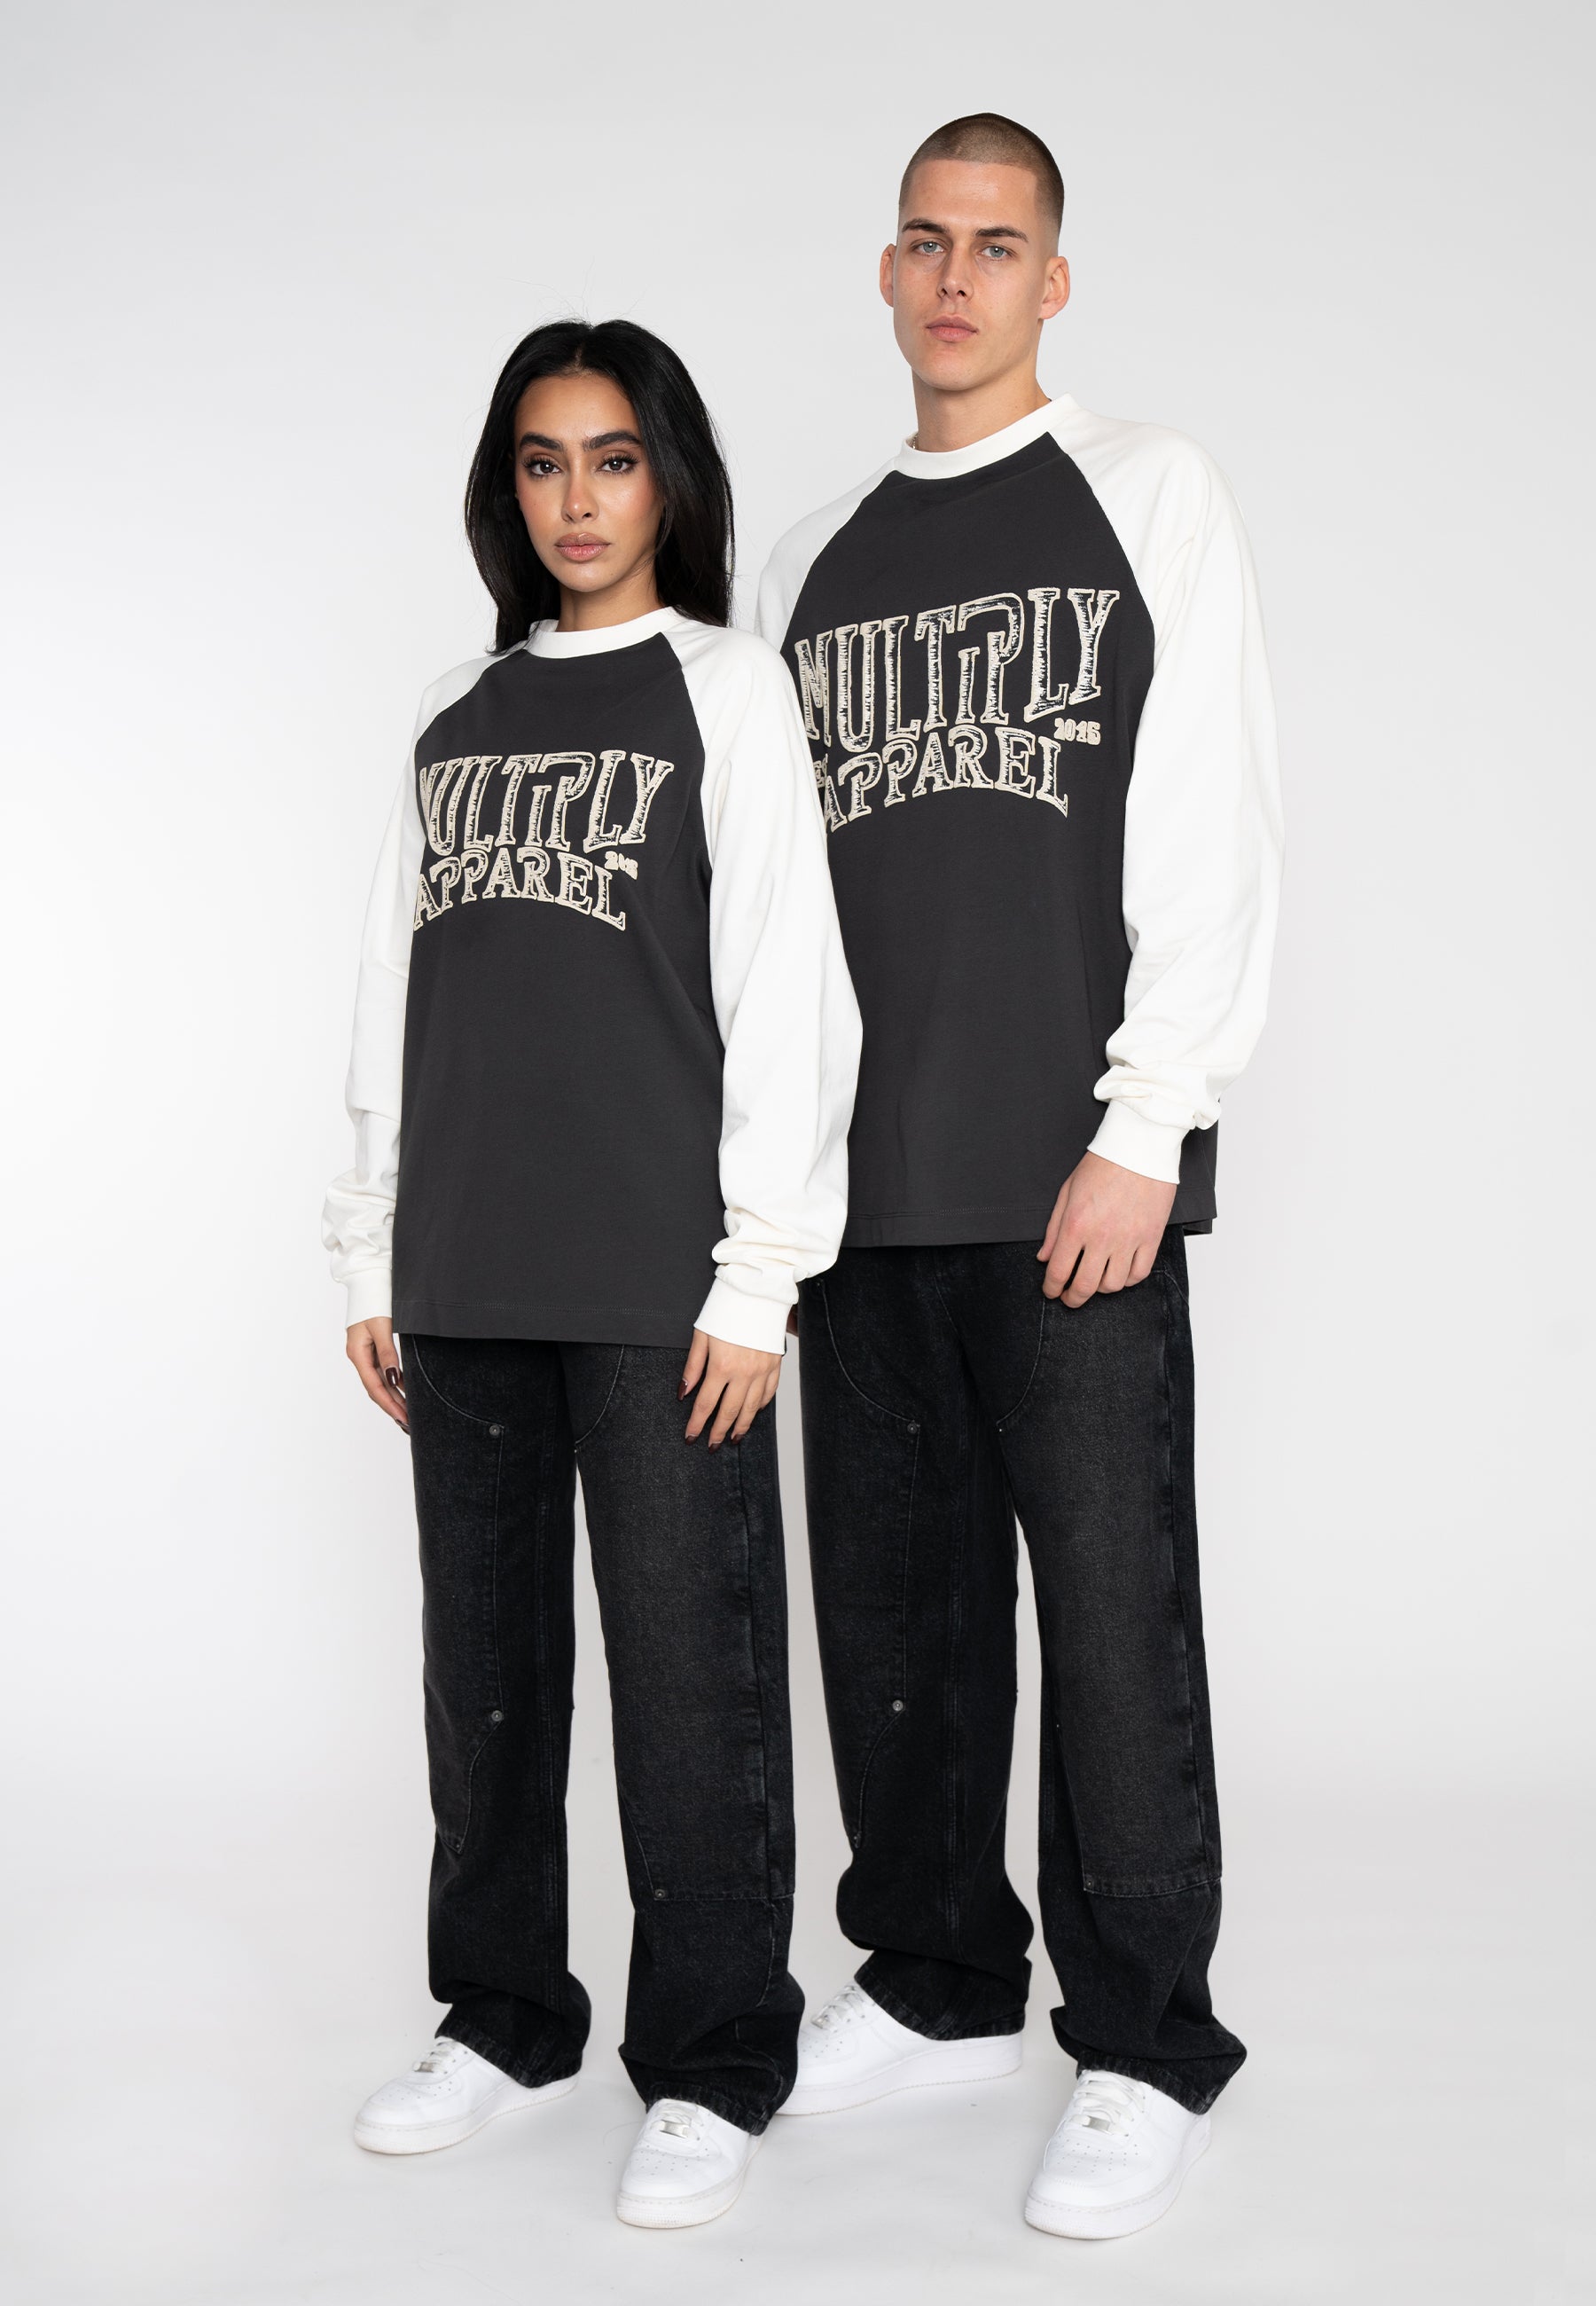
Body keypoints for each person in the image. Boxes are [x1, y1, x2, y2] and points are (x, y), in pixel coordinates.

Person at [756, 115, 1282, 2239]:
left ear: (1053, 281)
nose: (958, 278)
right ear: (886, 272)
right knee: (893, 1614)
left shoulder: (1147, 490)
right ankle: (939, 1978)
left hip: (1074, 1176)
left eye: (999, 245)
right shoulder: (810, 560)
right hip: (858, 1195)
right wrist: (769, 1189)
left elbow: (1212, 812)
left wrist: (1145, 1122)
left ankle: (1145, 2038)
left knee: (1112, 1618)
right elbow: (768, 913)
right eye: (926, 241)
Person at [323, 318, 860, 2230]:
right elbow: (395, 992)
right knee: (482, 1679)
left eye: (613, 460)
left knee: (693, 1686)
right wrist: (370, 1238)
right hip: (465, 1271)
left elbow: (790, 988)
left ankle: (714, 2054)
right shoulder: (453, 712)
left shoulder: (727, 690)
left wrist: (759, 1274)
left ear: (667, 480)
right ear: (508, 489)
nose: (578, 499)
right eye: (543, 462)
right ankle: (503, 2015)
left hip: (660, 1285)